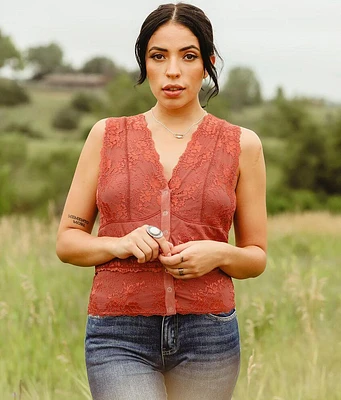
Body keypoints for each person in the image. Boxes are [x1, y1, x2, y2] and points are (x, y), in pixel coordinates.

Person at [56, 3, 267, 400]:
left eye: (188, 56)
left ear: (208, 63)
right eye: (158, 56)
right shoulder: (107, 136)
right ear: (145, 63)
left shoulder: (243, 145)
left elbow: (256, 256)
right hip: (118, 335)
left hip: (209, 335)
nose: (173, 70)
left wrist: (217, 253)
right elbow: (68, 241)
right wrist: (117, 244)